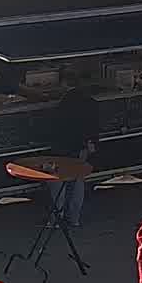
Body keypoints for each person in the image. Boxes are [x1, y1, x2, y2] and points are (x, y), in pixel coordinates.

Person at [48, 86, 100, 228]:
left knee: (57, 185)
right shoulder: (90, 106)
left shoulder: (63, 108)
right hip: (80, 150)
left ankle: (56, 219)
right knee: (77, 182)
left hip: (61, 151)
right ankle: (74, 218)